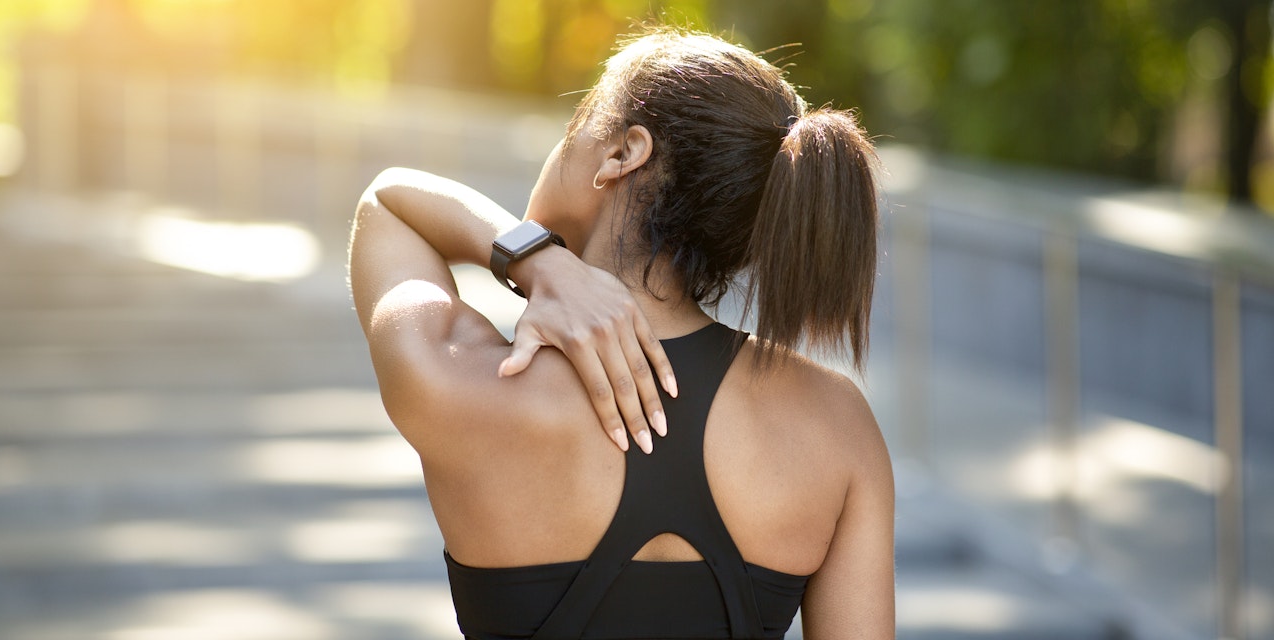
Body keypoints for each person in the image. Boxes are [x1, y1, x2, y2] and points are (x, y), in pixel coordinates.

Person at [349, 26, 893, 639]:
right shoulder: (836, 425)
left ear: (622, 153)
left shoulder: (465, 380)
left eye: (572, 126)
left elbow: (386, 204)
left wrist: (533, 257)